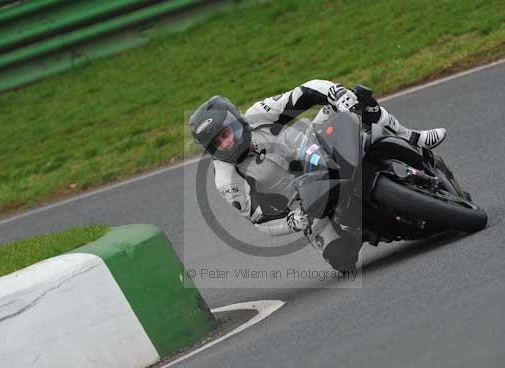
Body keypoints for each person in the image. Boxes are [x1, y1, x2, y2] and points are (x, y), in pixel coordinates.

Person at [189, 80, 446, 271]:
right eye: (217, 143)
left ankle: (414, 137)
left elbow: (305, 92)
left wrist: (335, 94)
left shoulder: (258, 114)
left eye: (226, 133)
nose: (226, 143)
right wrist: (292, 222)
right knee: (341, 259)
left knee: (357, 100)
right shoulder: (227, 181)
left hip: (315, 149)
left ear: (238, 120)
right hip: (307, 204)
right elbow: (259, 222)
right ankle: (372, 228)